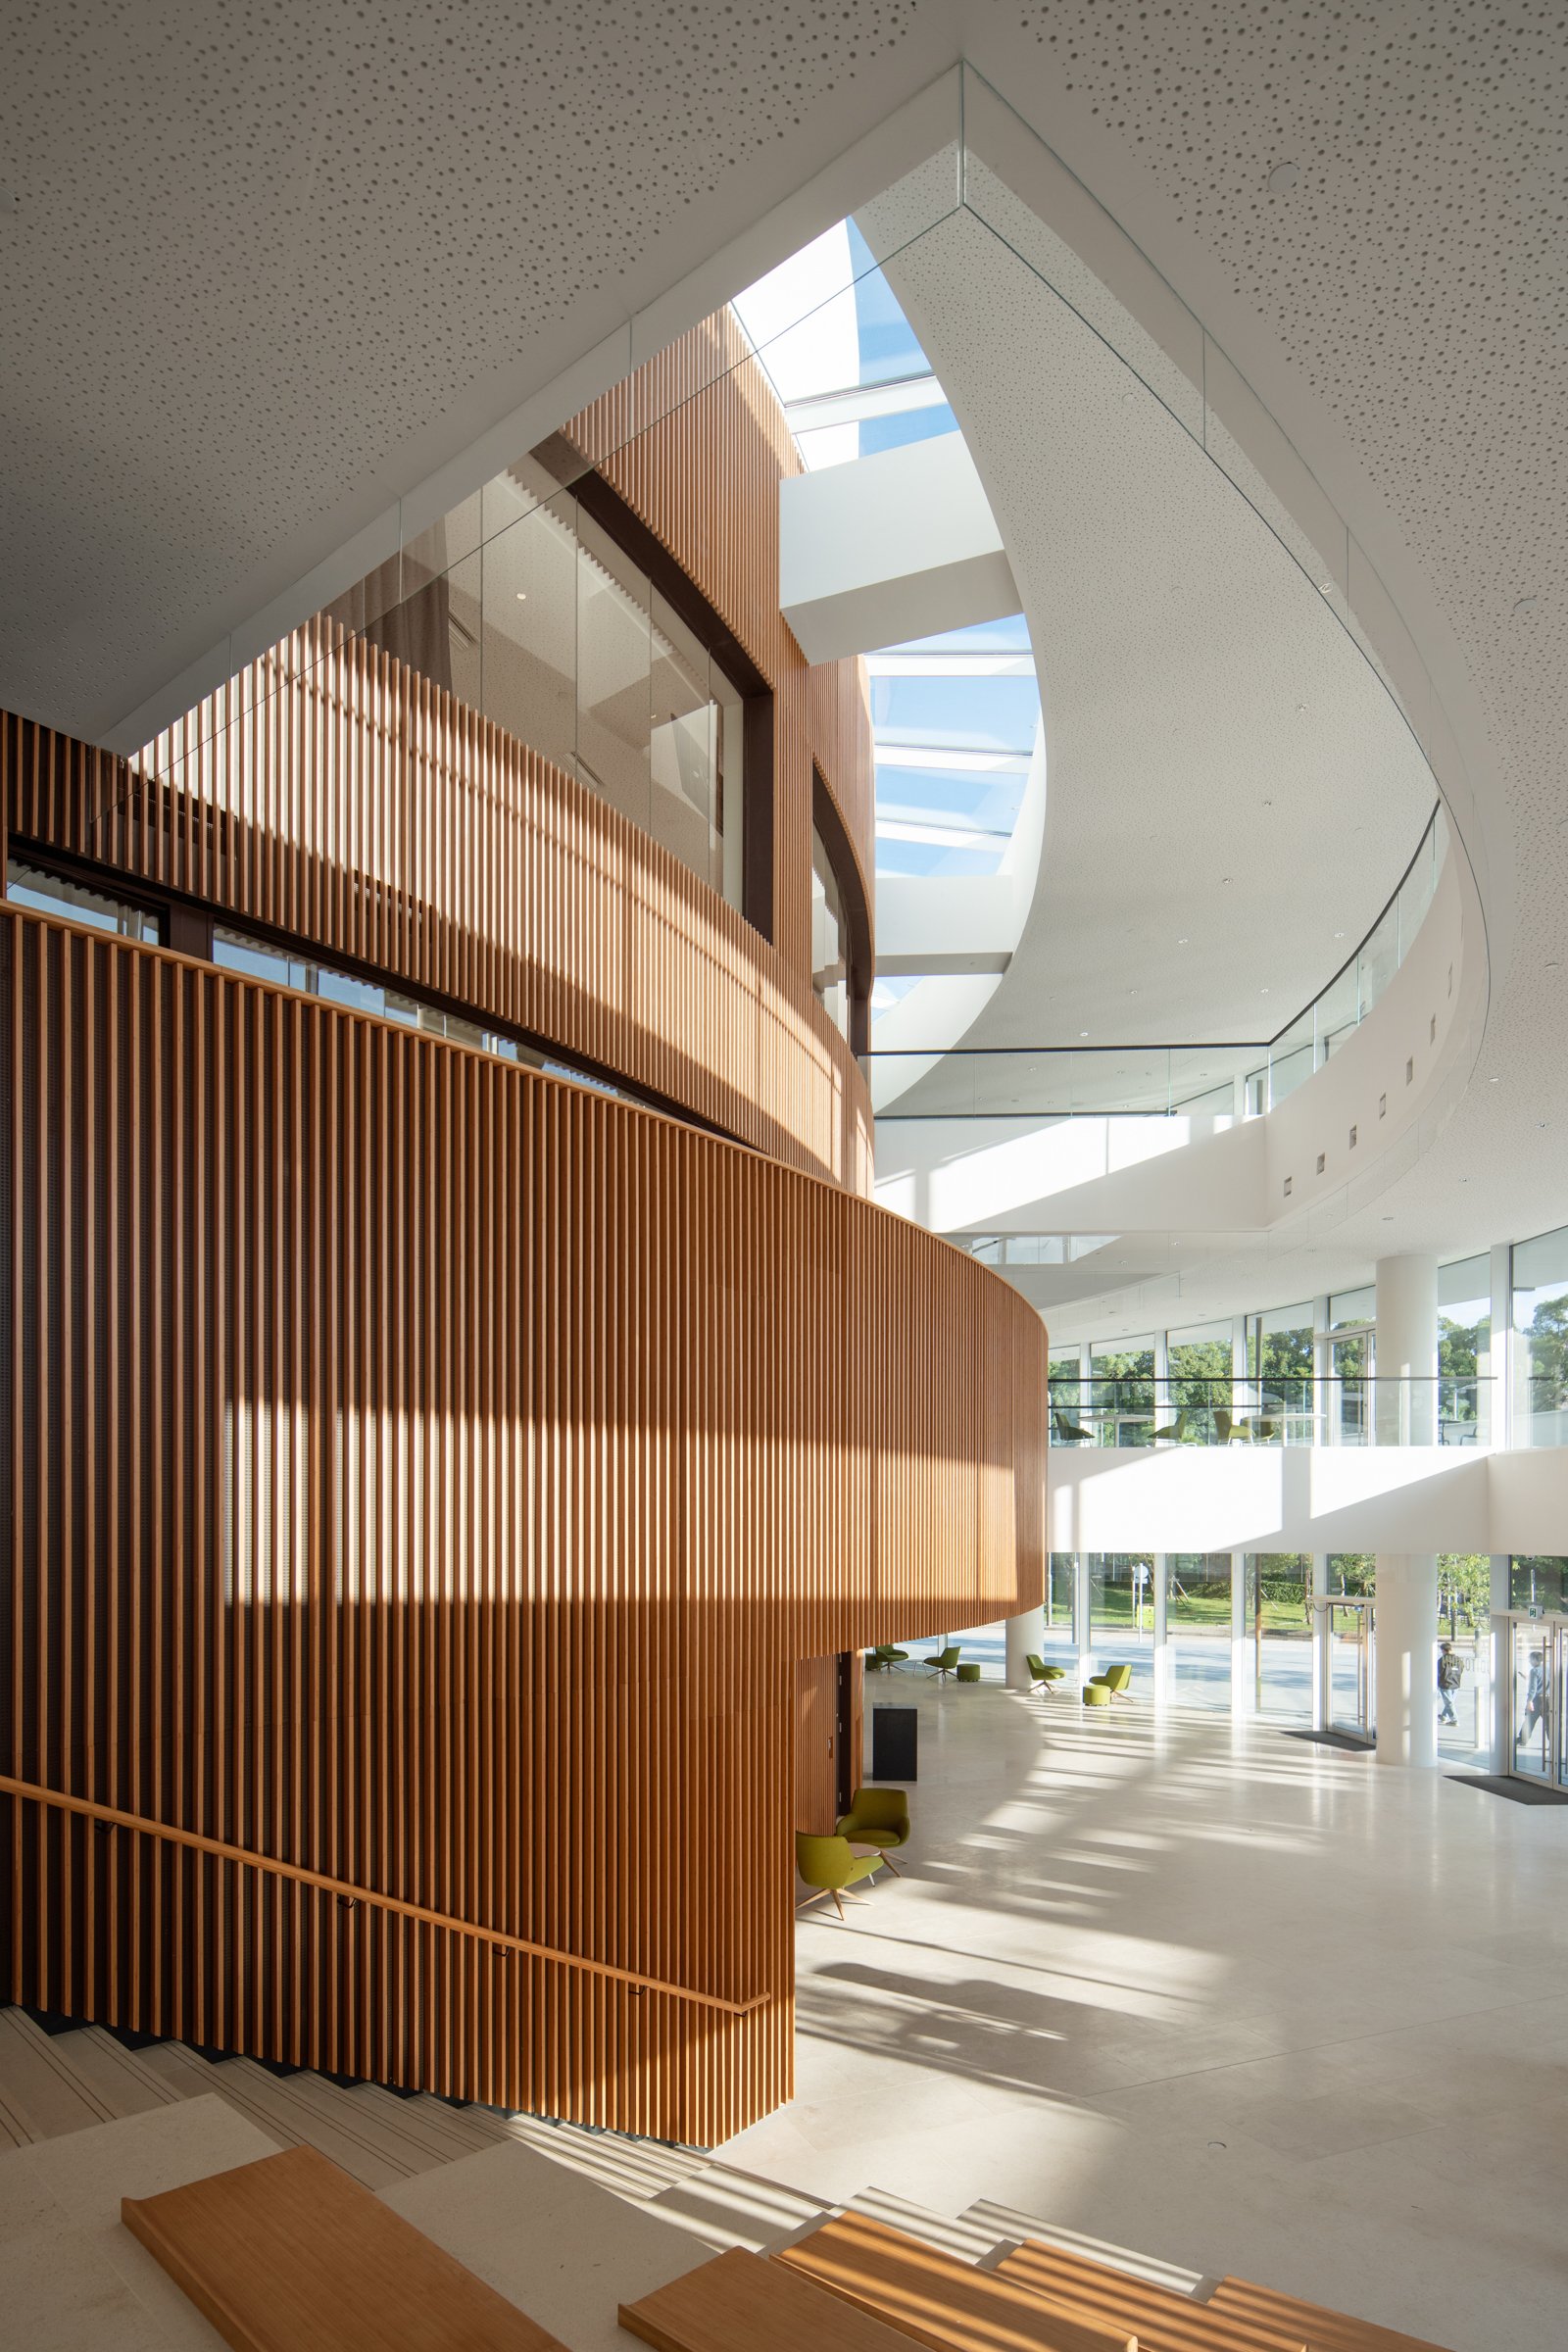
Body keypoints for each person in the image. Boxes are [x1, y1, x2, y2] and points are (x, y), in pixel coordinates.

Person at [1437, 1640, 1465, 1728]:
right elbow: (1461, 1669)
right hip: (1456, 1683)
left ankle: (1454, 1720)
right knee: (1450, 1701)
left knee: (1449, 1703)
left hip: (1445, 1684)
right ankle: (1444, 1716)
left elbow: (1439, 1672)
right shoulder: (1458, 1659)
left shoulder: (1442, 1660)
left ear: (1443, 1650)